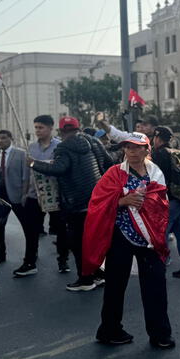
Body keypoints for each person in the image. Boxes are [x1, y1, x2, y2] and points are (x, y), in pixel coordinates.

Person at [83, 132, 174, 348]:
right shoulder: (114, 173)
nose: (132, 151)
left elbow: (162, 205)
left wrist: (147, 203)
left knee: (156, 286)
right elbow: (97, 203)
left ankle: (160, 334)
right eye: (128, 147)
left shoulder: (156, 173)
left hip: (149, 239)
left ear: (146, 149)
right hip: (120, 237)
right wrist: (122, 200)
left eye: (137, 147)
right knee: (115, 286)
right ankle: (109, 330)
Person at [30, 116, 112, 291]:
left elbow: (58, 169)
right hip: (97, 198)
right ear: (77, 127)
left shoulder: (63, 148)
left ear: (61, 131)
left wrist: (33, 163)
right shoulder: (94, 142)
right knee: (93, 240)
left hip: (76, 202)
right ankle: (98, 274)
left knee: (78, 242)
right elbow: (109, 162)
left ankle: (85, 279)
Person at [13, 115, 67, 277]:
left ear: (51, 128)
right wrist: (24, 193)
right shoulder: (31, 147)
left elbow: (61, 168)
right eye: (36, 127)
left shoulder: (60, 147)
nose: (38, 131)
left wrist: (37, 163)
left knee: (61, 230)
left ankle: (63, 260)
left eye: (41, 127)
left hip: (55, 195)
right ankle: (29, 262)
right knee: (31, 230)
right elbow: (27, 173)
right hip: (34, 195)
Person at [151, 126, 180, 279]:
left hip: (168, 200)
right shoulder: (177, 152)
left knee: (161, 233)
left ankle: (160, 266)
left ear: (157, 138)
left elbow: (156, 179)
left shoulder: (159, 155)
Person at [0, 129, 30, 263]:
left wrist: (25, 193)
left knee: (26, 225)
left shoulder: (20, 154)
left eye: (3, 138)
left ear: (10, 138)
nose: (0, 141)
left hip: (16, 194)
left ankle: (30, 255)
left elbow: (25, 176)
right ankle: (0, 255)